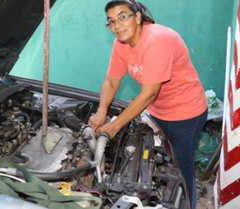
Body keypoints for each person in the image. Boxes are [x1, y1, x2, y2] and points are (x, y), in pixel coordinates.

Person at [88, 0, 208, 208]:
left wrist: (114, 126)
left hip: (185, 113)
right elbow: (111, 80)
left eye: (123, 17)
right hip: (157, 110)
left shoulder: (157, 41)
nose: (117, 26)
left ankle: (188, 204)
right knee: (157, 159)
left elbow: (149, 93)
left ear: (137, 17)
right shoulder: (121, 44)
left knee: (182, 168)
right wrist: (101, 111)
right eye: (111, 21)